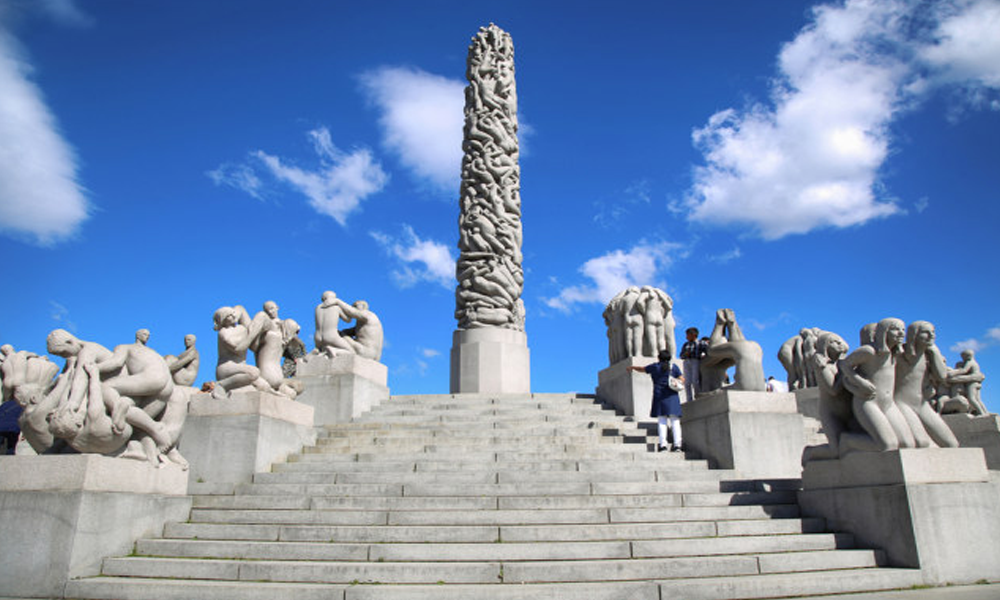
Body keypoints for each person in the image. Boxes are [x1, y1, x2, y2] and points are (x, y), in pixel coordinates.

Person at [628, 350, 684, 452]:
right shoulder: (674, 367)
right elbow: (682, 379)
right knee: (675, 421)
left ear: (659, 357)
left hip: (659, 395)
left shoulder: (655, 367)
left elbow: (643, 369)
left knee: (662, 421)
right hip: (672, 395)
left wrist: (632, 367)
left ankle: (663, 445)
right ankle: (677, 445)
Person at [679, 328, 704, 401]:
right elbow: (681, 355)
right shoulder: (686, 344)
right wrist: (685, 354)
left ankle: (698, 396)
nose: (686, 337)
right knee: (687, 382)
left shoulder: (700, 343)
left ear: (693, 335)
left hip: (695, 361)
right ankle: (689, 399)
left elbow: (706, 351)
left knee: (695, 380)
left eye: (688, 335)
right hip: (687, 361)